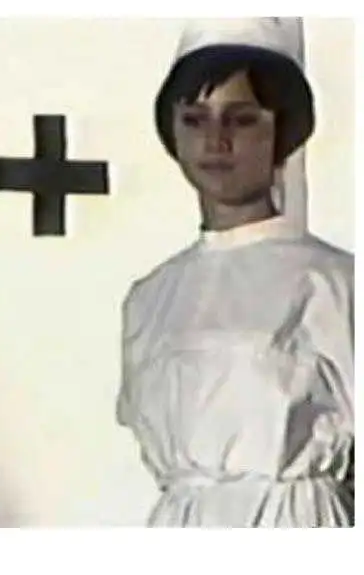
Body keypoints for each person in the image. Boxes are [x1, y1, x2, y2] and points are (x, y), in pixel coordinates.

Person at [116, 19, 354, 527]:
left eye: (241, 120)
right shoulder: (150, 297)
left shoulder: (336, 283)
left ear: (281, 132)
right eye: (195, 120)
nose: (216, 142)